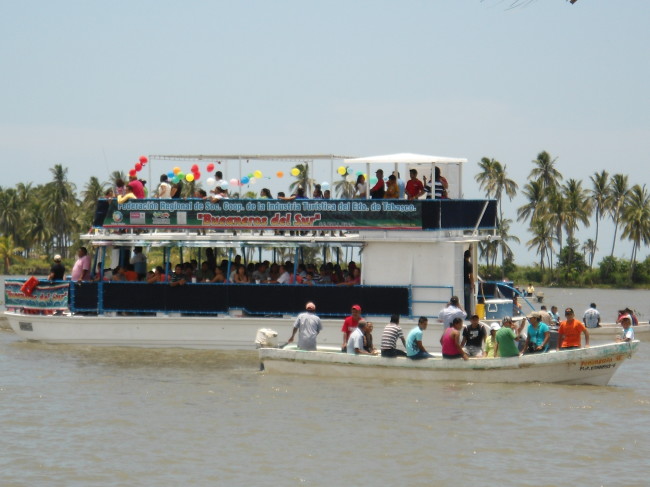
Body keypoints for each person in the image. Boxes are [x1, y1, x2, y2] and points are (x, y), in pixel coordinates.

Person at [463, 249, 474, 316]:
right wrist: (472, 284)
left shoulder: (461, 263)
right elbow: (471, 276)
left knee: (463, 299)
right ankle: (468, 315)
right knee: (467, 300)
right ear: (469, 256)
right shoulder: (469, 265)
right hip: (467, 283)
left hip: (461, 283)